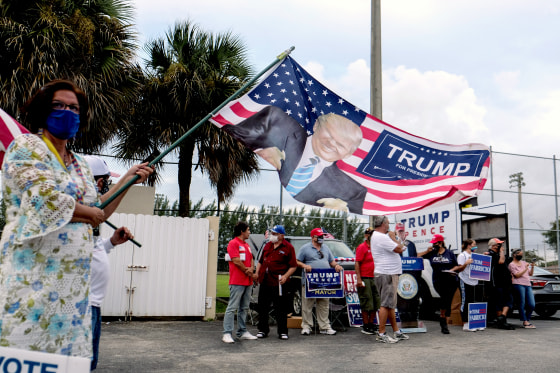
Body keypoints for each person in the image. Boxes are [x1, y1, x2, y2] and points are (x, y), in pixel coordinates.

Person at [0, 80, 152, 357]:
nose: (67, 112)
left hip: (72, 293)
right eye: (58, 105)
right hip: (31, 283)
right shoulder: (27, 147)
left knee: (70, 361)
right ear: (43, 110)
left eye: (74, 108)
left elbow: (100, 211)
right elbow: (44, 200)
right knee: (27, 355)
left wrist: (128, 179)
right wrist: (87, 213)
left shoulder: (80, 164)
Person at [224, 106, 367, 213]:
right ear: (316, 125)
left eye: (341, 144)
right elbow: (232, 129)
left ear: (349, 153)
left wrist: (345, 208)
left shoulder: (352, 191)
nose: (331, 143)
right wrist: (261, 146)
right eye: (330, 134)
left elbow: (356, 211)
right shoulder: (276, 121)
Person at [84, 155, 137, 370]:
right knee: (79, 364)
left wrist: (111, 242)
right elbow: (103, 211)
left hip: (93, 304)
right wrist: (129, 179)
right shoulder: (80, 208)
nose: (103, 186)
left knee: (88, 364)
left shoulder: (87, 210)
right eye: (104, 180)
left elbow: (92, 247)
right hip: (81, 304)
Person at [370, 216, 409, 343]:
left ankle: (396, 331)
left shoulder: (378, 236)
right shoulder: (381, 237)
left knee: (391, 305)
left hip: (387, 273)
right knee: (386, 304)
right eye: (387, 223)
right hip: (387, 273)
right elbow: (400, 249)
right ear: (383, 224)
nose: (389, 225)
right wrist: (393, 237)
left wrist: (394, 239)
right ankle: (381, 333)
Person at [296, 227, 343, 335]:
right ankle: (307, 326)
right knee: (307, 305)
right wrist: (305, 266)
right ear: (313, 237)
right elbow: (297, 261)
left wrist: (336, 266)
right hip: (310, 282)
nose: (322, 238)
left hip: (324, 281)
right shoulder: (305, 248)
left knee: (324, 304)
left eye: (323, 236)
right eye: (320, 236)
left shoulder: (326, 248)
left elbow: (332, 261)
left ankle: (324, 327)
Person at [255, 225, 297, 340]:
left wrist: (285, 276)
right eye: (271, 233)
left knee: (281, 308)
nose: (272, 235)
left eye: (275, 233)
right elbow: (260, 261)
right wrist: (257, 273)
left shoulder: (288, 248)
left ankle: (283, 331)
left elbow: (293, 266)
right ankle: (263, 330)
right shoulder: (267, 246)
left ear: (281, 235)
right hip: (265, 280)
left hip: (278, 282)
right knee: (263, 307)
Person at [418, 234, 462, 334]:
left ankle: (444, 324)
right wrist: (426, 251)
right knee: (443, 300)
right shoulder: (432, 253)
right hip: (438, 280)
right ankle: (443, 321)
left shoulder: (449, 253)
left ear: (441, 243)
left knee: (448, 301)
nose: (434, 245)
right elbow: (416, 256)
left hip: (450, 280)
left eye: (435, 243)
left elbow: (457, 266)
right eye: (433, 243)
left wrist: (451, 270)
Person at [222, 221, 259, 343]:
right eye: (248, 230)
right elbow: (236, 260)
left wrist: (252, 269)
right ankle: (227, 333)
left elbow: (252, 259)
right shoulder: (233, 243)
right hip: (237, 281)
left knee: (244, 307)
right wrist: (247, 271)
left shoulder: (246, 245)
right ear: (242, 231)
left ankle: (242, 331)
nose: (249, 232)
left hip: (247, 282)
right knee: (232, 307)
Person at [354, 227, 381, 335]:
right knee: (366, 302)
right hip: (365, 277)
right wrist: (359, 278)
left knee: (375, 302)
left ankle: (372, 323)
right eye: (370, 234)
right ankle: (366, 325)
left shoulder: (376, 247)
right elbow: (357, 263)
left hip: (375, 277)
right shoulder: (362, 247)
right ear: (366, 236)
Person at [485, 238, 515, 330]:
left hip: (505, 282)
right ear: (494, 246)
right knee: (499, 301)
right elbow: (501, 262)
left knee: (508, 300)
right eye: (499, 245)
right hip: (497, 282)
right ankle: (501, 320)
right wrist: (502, 252)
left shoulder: (497, 254)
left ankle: (502, 318)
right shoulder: (491, 254)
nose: (501, 247)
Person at [395, 222, 420, 324]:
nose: (401, 233)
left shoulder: (411, 244)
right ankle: (403, 317)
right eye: (399, 231)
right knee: (401, 296)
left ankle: (413, 317)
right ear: (396, 232)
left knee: (412, 295)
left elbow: (415, 257)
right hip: (399, 274)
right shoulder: (393, 244)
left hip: (411, 274)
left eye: (402, 231)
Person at [457, 239, 482, 332]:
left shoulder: (474, 255)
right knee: (465, 301)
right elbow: (459, 269)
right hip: (465, 280)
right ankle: (465, 323)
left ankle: (473, 322)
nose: (475, 246)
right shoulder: (462, 255)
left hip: (474, 280)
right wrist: (466, 263)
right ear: (469, 245)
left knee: (472, 301)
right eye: (474, 244)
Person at [508, 249, 536, 329]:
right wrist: (525, 268)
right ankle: (525, 321)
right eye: (519, 254)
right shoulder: (512, 264)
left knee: (532, 304)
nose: (521, 256)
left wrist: (532, 266)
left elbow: (530, 273)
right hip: (518, 284)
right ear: (514, 255)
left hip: (527, 284)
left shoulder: (524, 263)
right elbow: (517, 275)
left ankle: (527, 319)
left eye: (521, 254)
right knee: (522, 303)